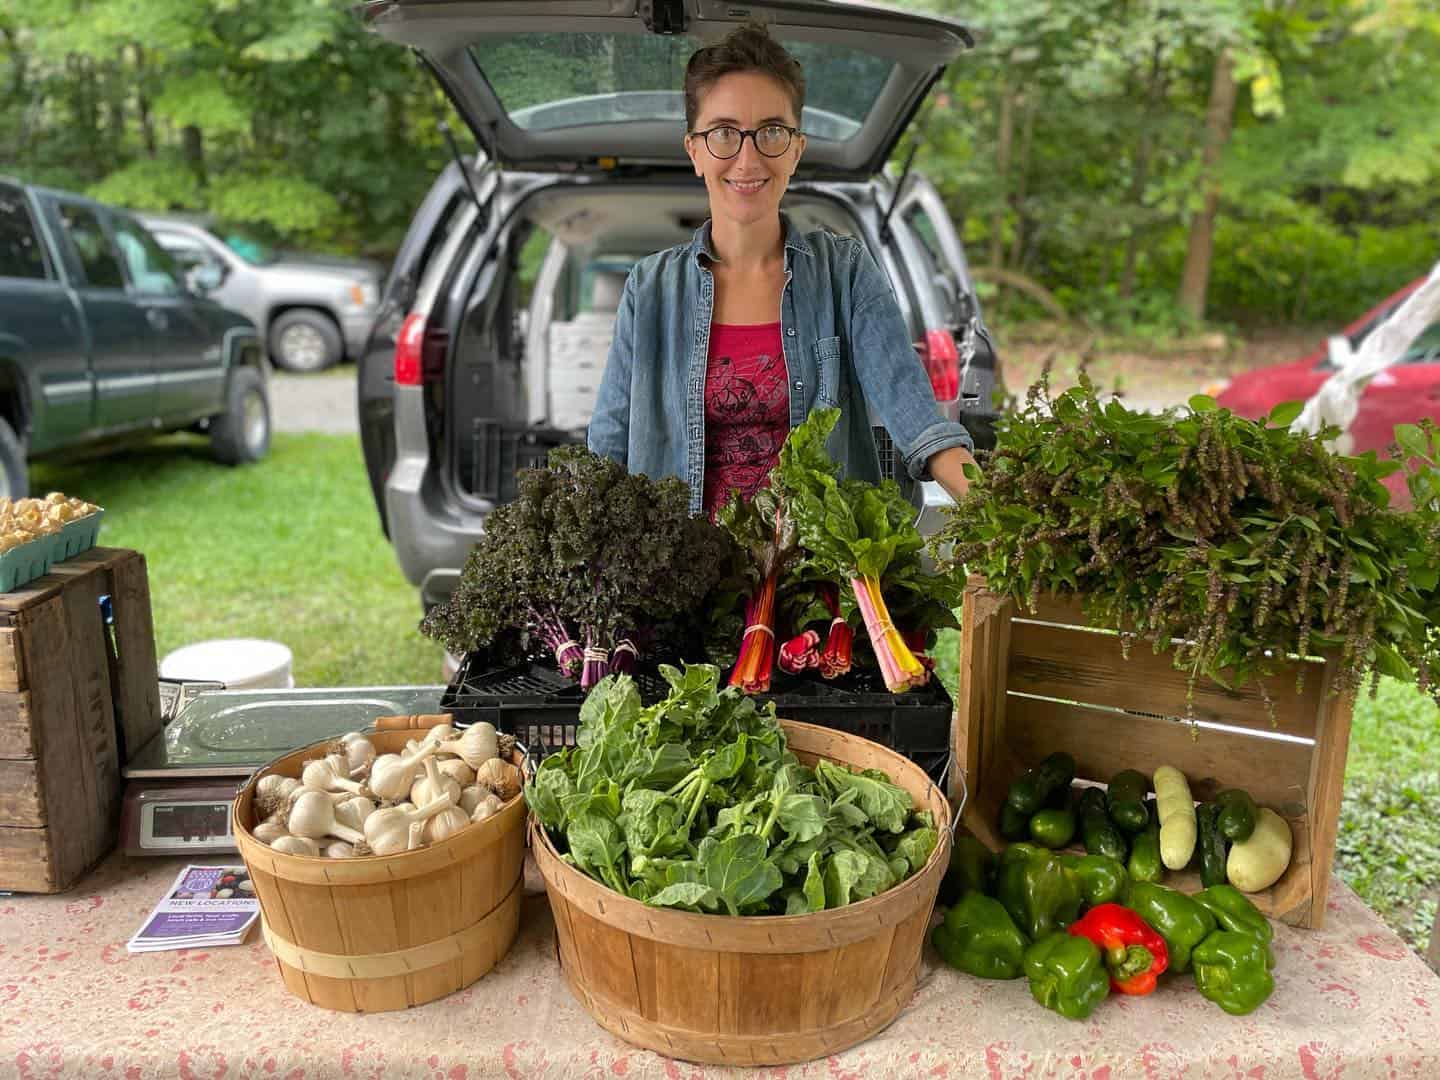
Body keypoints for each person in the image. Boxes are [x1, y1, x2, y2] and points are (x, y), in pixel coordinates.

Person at [587, 21, 977, 518]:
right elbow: (607, 448)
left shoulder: (846, 272)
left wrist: (1001, 510)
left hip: (820, 579)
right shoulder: (651, 288)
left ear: (796, 148)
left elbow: (919, 419)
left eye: (771, 131)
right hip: (685, 582)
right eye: (724, 133)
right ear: (695, 150)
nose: (748, 158)